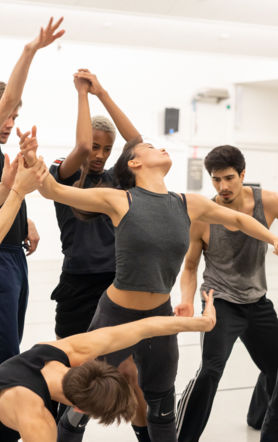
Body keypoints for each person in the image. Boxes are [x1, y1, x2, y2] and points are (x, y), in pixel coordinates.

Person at [19, 123, 278, 442]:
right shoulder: (119, 200)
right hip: (114, 317)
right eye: (152, 147)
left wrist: (272, 238)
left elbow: (238, 219)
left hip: (159, 319)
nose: (162, 148)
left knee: (162, 406)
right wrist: (34, 164)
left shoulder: (188, 203)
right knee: (81, 401)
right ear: (134, 162)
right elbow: (54, 191)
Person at [48, 70, 149, 440]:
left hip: (115, 288)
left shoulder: (116, 180)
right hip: (76, 289)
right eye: (97, 147)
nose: (101, 155)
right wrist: (82, 95)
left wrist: (103, 91)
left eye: (107, 149)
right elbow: (80, 148)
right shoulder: (63, 174)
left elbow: (136, 141)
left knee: (128, 372)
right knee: (75, 375)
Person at [0, 292, 216, 442]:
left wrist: (201, 324)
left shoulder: (69, 351)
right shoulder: (37, 419)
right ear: (78, 407)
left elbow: (143, 328)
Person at [0, 17, 65, 393]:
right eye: (6, 115)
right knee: (6, 353)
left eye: (16, 116)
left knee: (2, 350)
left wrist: (27, 223)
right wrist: (30, 50)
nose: (11, 121)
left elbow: (10, 192)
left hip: (12, 255)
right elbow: (8, 97)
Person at [175, 145, 278, 442]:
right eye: (216, 179)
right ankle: (183, 437)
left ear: (243, 174)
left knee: (276, 365)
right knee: (209, 372)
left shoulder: (267, 202)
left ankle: (261, 421)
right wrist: (185, 299)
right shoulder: (203, 215)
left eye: (229, 178)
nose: (223, 186)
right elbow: (191, 266)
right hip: (218, 303)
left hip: (257, 301)